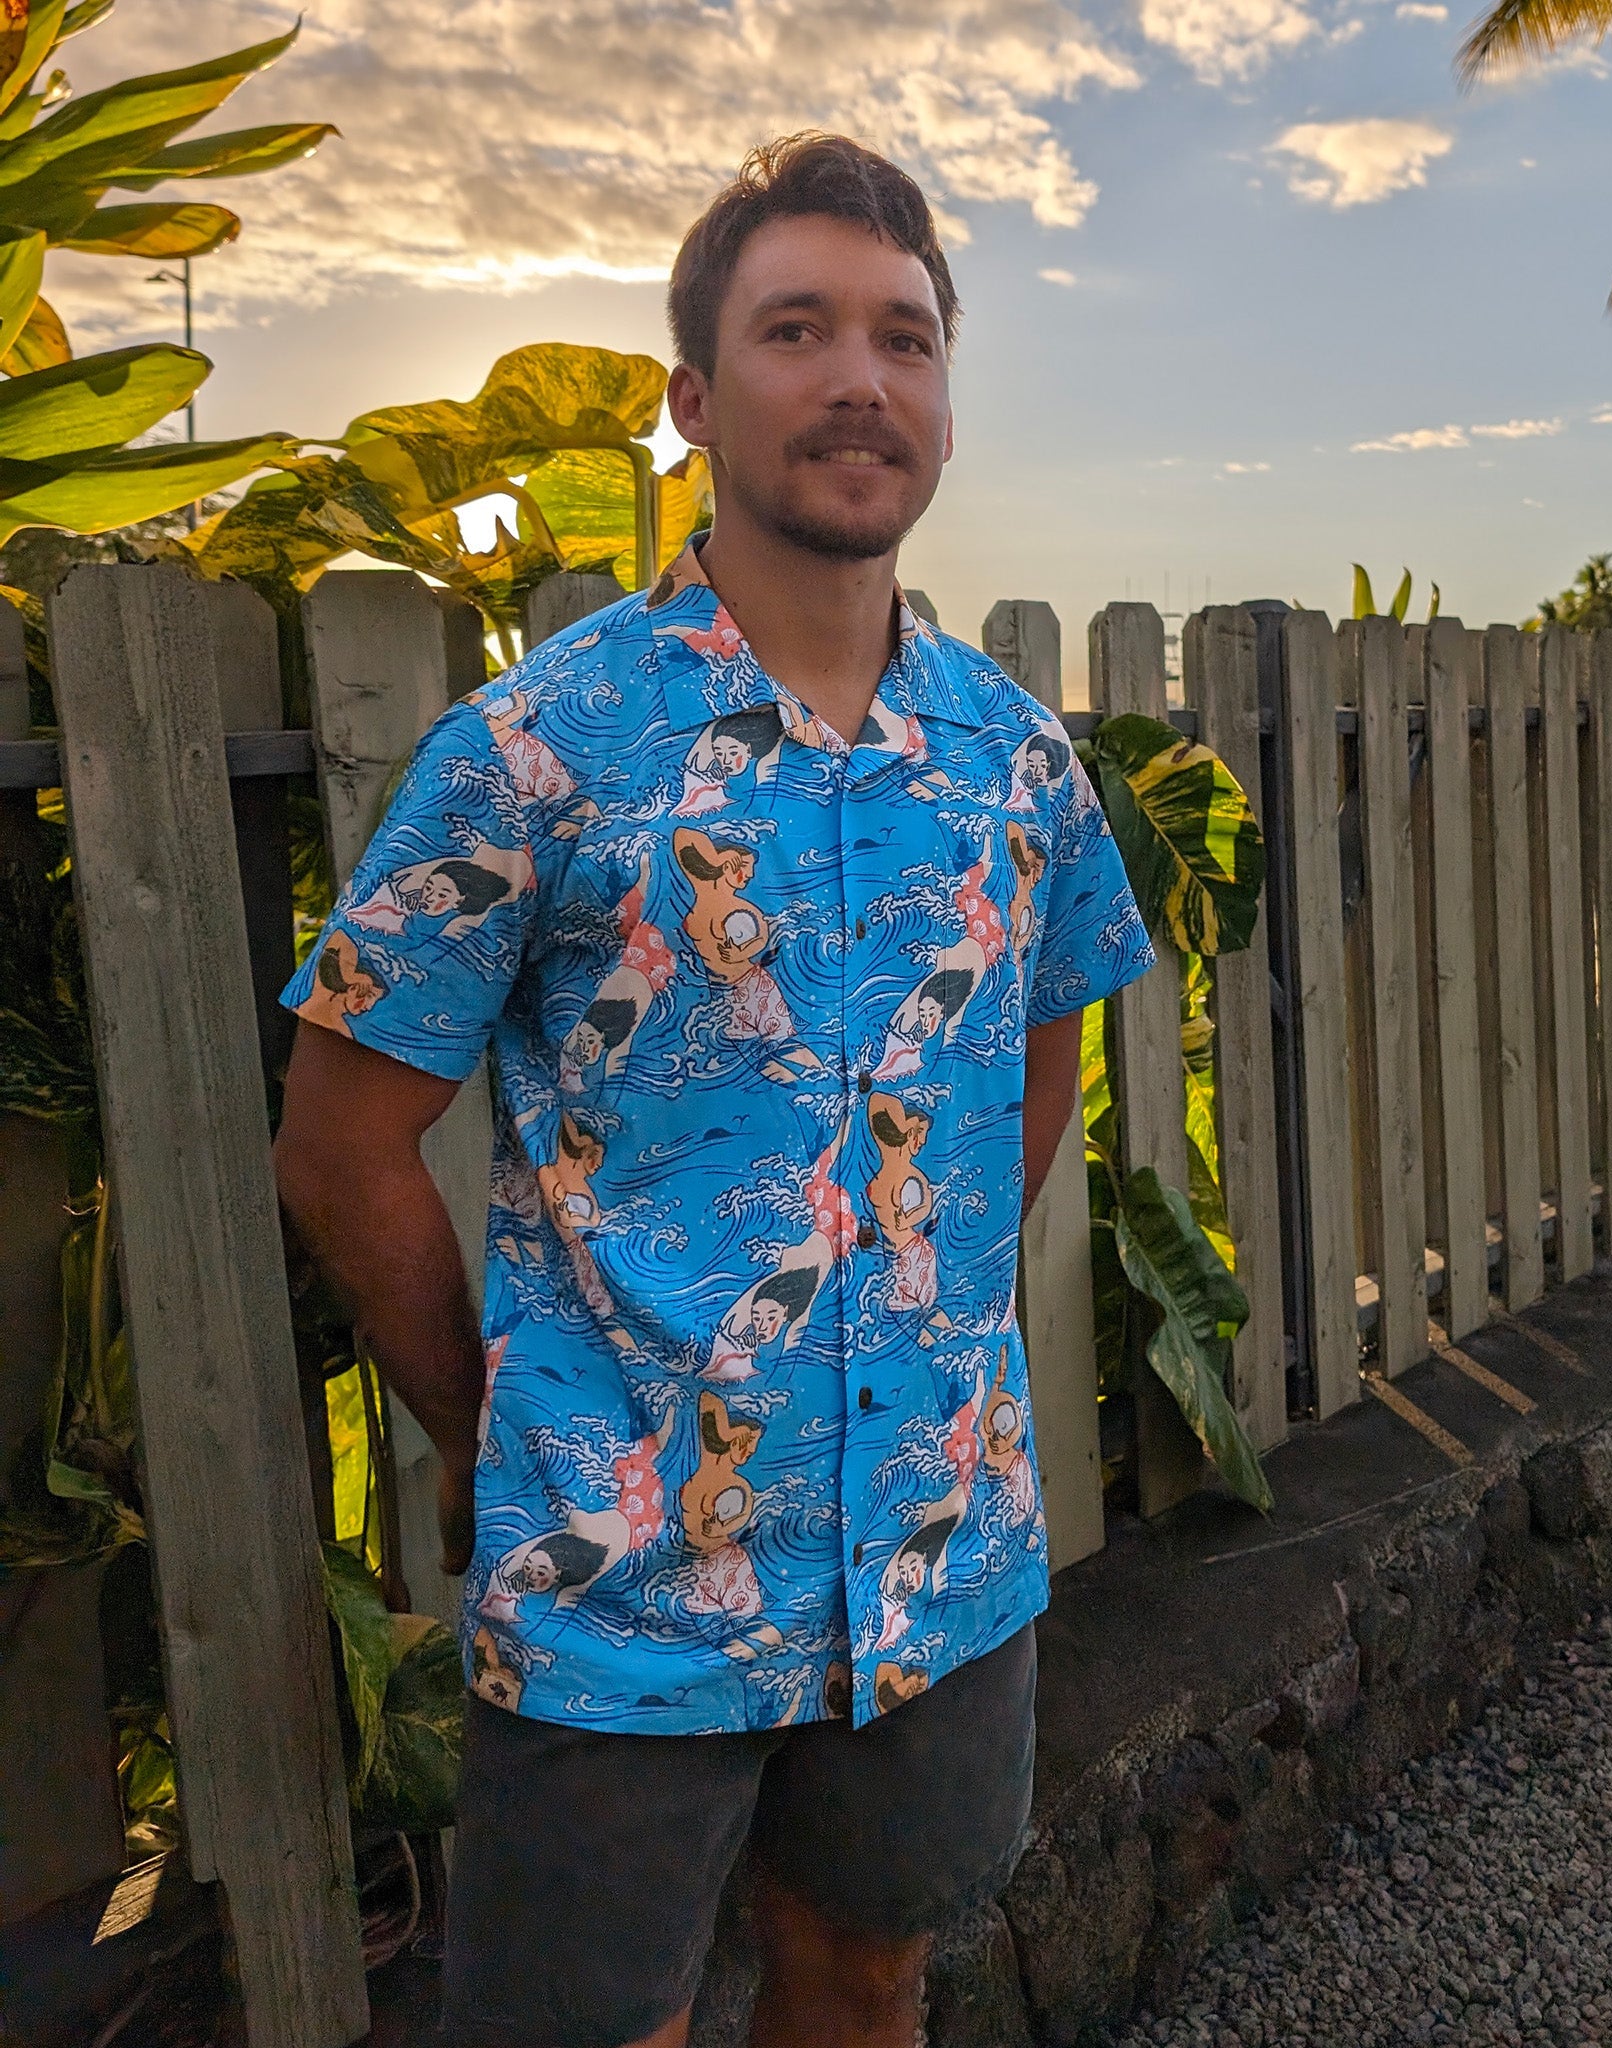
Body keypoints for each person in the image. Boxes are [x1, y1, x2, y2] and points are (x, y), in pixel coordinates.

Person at [270, 132, 1154, 2048]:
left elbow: (1043, 1047)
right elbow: (340, 1140)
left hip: (939, 1545)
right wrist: (485, 1422)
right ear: (694, 398)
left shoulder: (1020, 768)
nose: (862, 378)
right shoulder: (537, 746)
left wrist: (928, 1317)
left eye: (906, 339)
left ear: (944, 400)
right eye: (797, 329)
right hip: (623, 1593)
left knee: (870, 1974)